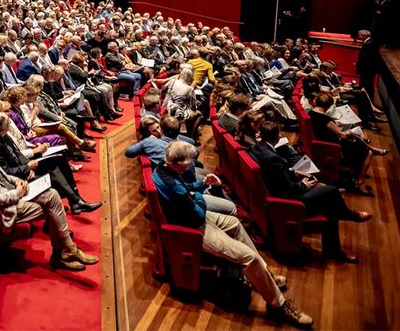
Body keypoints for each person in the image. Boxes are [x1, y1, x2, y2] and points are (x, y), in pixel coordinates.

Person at [153, 141, 313, 327]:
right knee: (249, 257)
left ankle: (265, 273)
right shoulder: (174, 185)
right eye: (188, 163)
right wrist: (198, 195)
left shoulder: (162, 168)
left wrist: (201, 184)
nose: (191, 165)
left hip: (194, 217)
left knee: (235, 224)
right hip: (194, 229)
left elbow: (186, 189)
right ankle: (278, 305)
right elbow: (197, 210)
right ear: (175, 163)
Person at [0, 127, 99, 271]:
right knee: (51, 206)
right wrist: (17, 193)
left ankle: (66, 251)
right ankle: (64, 252)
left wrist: (16, 182)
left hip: (12, 192)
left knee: (52, 194)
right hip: (5, 209)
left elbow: (4, 177)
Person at [250, 121, 370, 263]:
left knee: (329, 201)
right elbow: (288, 190)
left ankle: (334, 249)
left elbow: (275, 176)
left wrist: (293, 172)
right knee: (331, 192)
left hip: (275, 193)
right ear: (276, 136)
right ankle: (348, 216)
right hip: (286, 203)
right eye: (279, 133)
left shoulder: (256, 149)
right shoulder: (273, 159)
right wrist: (304, 184)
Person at [0, 112, 100, 215]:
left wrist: (28, 166)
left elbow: (18, 154)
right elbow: (5, 171)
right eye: (8, 121)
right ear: (3, 127)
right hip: (18, 177)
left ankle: (76, 199)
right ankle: (74, 202)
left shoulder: (5, 136)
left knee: (59, 158)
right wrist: (27, 168)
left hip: (26, 167)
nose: (10, 123)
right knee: (52, 173)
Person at [126, 115, 237, 215]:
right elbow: (128, 152)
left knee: (209, 177)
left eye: (159, 128)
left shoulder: (164, 162)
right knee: (228, 204)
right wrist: (198, 194)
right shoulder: (155, 145)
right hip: (190, 203)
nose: (159, 132)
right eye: (154, 131)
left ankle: (220, 196)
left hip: (185, 189)